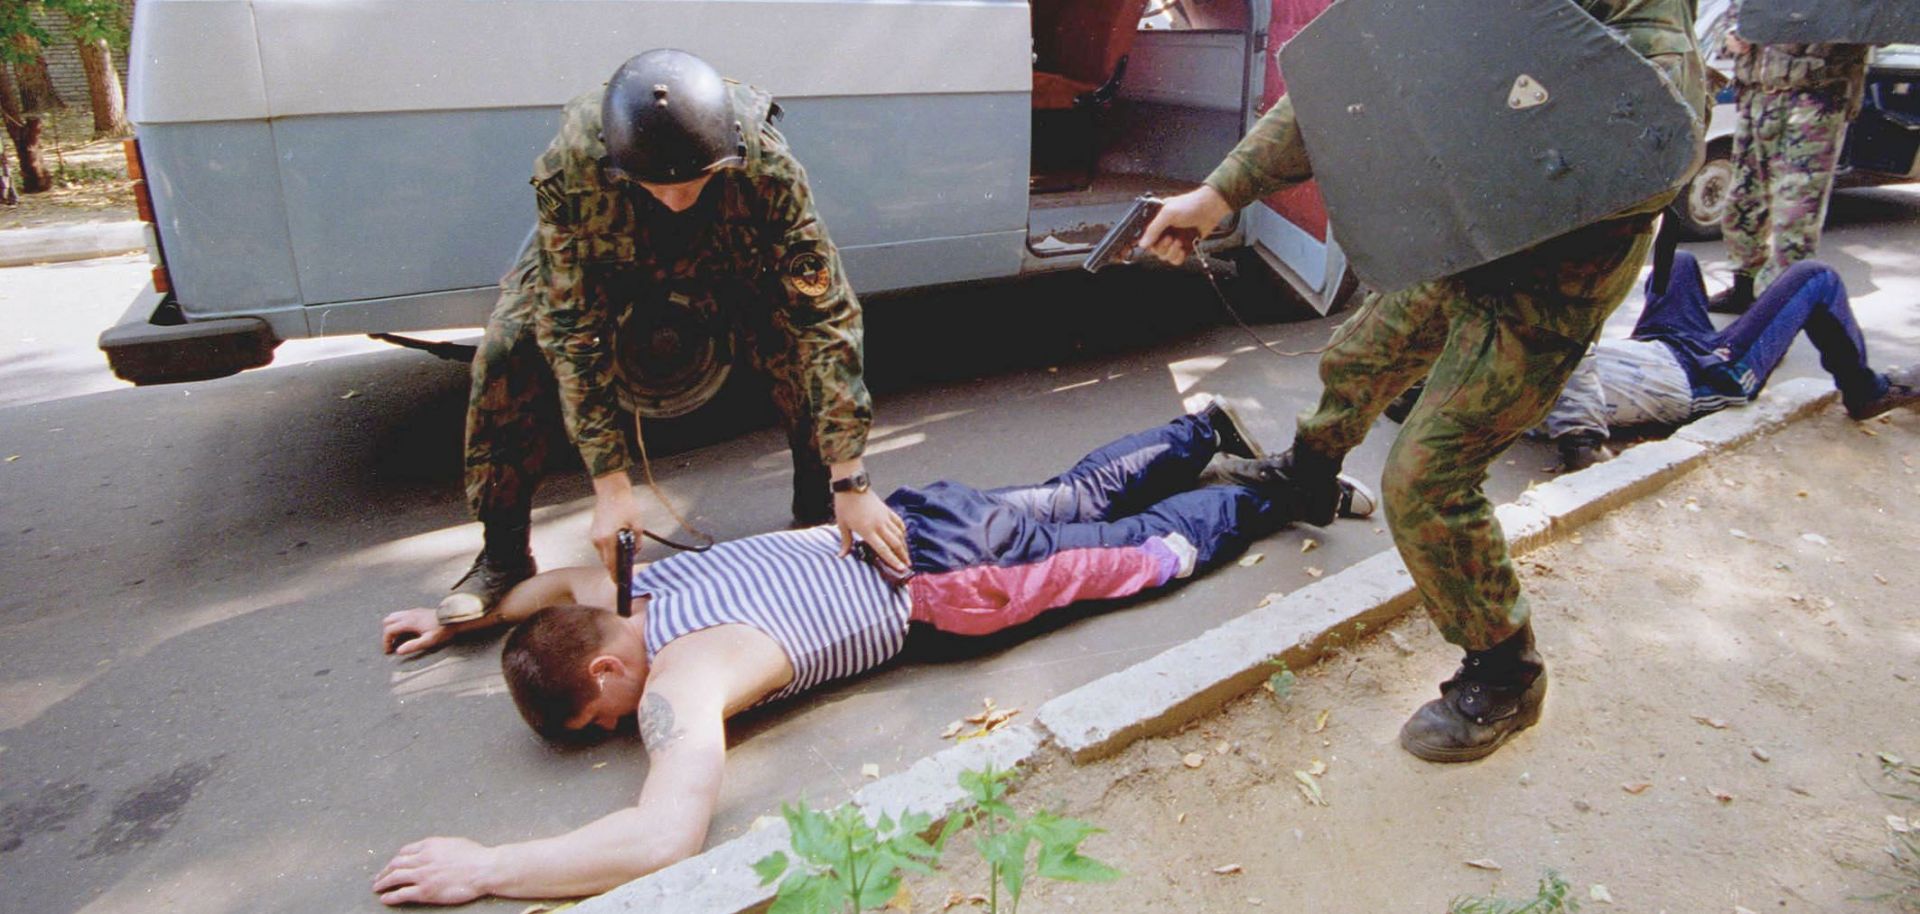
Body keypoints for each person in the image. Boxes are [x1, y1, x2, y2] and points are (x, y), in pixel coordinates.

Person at [370, 401, 1375, 905]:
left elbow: (661, 835)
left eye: (601, 721)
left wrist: (490, 865)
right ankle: (1197, 427)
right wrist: (458, 616)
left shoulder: (680, 681)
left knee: (1136, 558)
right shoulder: (626, 589)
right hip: (910, 516)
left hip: (941, 591)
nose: (619, 733)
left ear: (604, 672)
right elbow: (543, 589)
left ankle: (1275, 489)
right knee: (1066, 498)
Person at [1136, 0, 1708, 763]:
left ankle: (1506, 667)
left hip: (1550, 280)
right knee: (1357, 358)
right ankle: (1308, 477)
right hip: (1464, 233)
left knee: (1427, 479)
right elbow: (1342, 91)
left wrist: (1474, 122)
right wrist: (1219, 194)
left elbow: (1645, 155)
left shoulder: (1647, 33)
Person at [449, 48, 905, 625]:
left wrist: (853, 478)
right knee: (507, 350)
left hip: (728, 249)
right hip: (607, 254)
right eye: (655, 185)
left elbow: (825, 317)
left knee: (794, 337)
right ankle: (504, 554)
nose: (672, 198)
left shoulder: (766, 165)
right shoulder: (573, 166)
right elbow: (571, 329)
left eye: (691, 182)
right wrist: (611, 488)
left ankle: (820, 507)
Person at [1543, 245, 1918, 468]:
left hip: (1660, 348)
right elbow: (1568, 371)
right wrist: (1583, 444)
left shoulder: (1497, 347)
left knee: (1677, 258)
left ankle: (1757, 339)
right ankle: (1865, 391)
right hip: (1703, 378)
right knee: (1816, 277)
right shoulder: (1529, 358)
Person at [1710, 1, 1871, 314]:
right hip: (1757, 94)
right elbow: (1733, 17)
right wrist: (1732, 35)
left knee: (1795, 215)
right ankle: (1744, 289)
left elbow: (1879, 25)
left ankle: (1777, 314)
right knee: (1743, 202)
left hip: (1814, 99)